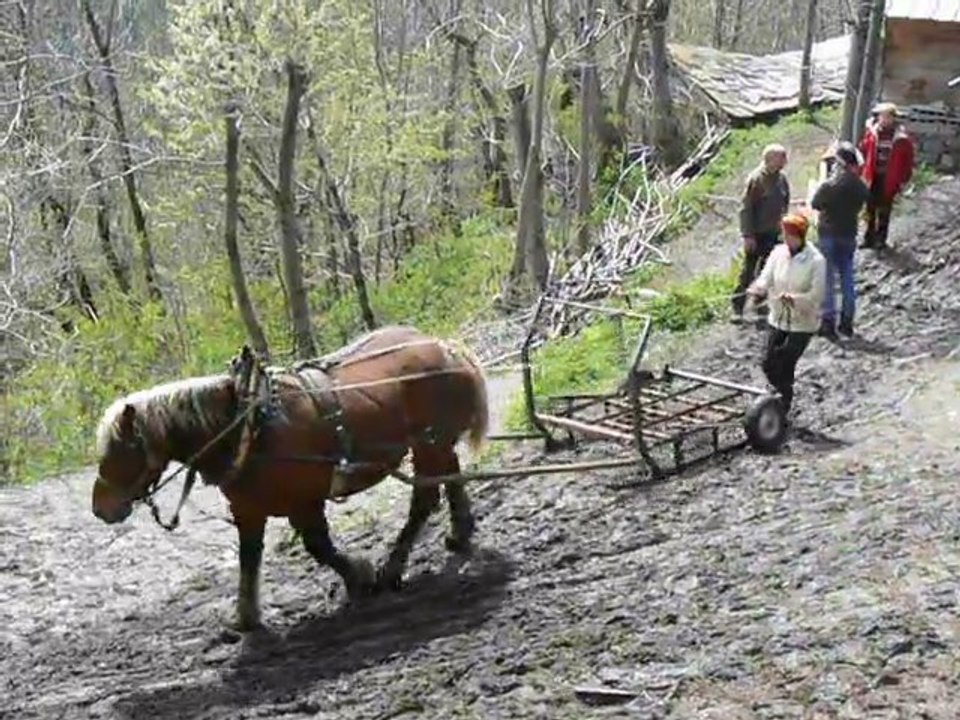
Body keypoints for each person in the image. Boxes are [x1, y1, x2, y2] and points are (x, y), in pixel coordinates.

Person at [746, 214, 826, 416]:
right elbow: (765, 278)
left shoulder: (816, 261)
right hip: (777, 318)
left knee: (785, 365)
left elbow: (817, 295)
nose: (785, 238)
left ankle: (782, 407)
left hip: (802, 323)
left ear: (799, 236)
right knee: (767, 362)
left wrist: (795, 299)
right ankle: (776, 399)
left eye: (788, 234)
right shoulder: (777, 253)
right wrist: (758, 289)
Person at [811, 141, 870, 339]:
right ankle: (847, 321)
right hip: (848, 234)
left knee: (827, 279)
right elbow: (865, 200)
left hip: (828, 233)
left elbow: (815, 203)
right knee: (847, 278)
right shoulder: (859, 186)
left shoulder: (830, 184)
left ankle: (828, 322)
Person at [733, 144, 790, 323]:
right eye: (781, 157)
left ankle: (760, 305)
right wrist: (748, 235)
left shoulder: (781, 179)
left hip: (774, 233)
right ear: (770, 159)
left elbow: (785, 203)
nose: (785, 161)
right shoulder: (756, 180)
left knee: (767, 272)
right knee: (748, 272)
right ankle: (737, 308)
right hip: (756, 234)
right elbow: (746, 209)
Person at [858, 102, 914, 250]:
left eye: (886, 116)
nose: (883, 119)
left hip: (889, 179)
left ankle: (881, 239)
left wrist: (904, 179)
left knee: (884, 210)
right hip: (872, 176)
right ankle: (868, 237)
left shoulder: (901, 139)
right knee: (869, 209)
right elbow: (864, 151)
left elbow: (908, 161)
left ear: (893, 118)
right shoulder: (872, 133)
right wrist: (861, 170)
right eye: (881, 116)